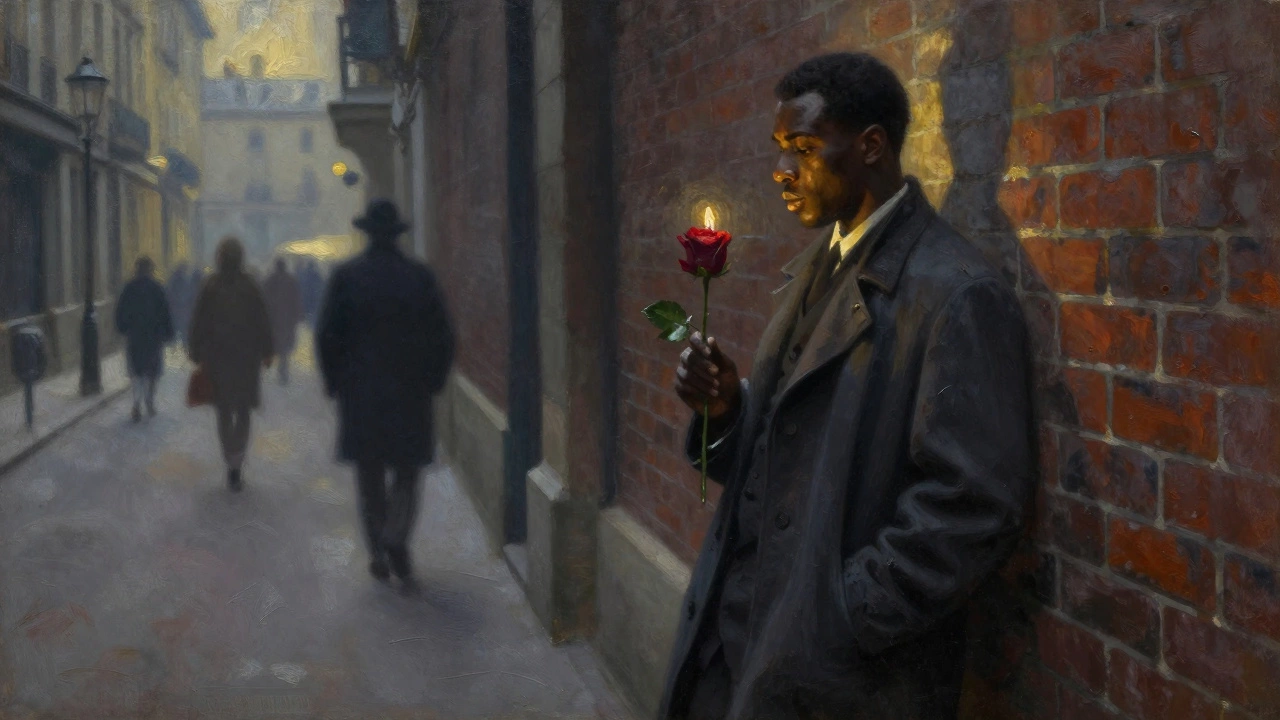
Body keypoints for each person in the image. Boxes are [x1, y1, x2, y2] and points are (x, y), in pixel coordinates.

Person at [659, 53, 1034, 720]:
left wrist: (839, 617)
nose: (781, 170)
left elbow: (975, 504)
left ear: (870, 146)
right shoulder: (815, 266)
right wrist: (726, 410)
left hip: (832, 679)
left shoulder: (956, 292)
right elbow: (792, 456)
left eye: (804, 147)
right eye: (780, 148)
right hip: (737, 650)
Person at [317, 199, 454, 585]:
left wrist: (333, 380)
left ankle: (378, 547)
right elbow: (443, 335)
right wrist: (435, 379)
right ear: (396, 235)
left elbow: (328, 335)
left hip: (361, 394)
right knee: (407, 473)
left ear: (367, 234)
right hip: (410, 392)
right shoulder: (420, 278)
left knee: (369, 475)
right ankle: (396, 538)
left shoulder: (347, 277)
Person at [188, 237, 275, 492]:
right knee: (244, 409)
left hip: (219, 359)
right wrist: (267, 351)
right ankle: (237, 458)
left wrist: (195, 350)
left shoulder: (211, 286)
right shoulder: (250, 286)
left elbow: (198, 322)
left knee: (225, 409)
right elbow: (263, 321)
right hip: (246, 359)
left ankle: (230, 456)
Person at [115, 256, 175, 423]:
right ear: (151, 270)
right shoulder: (157, 288)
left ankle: (136, 402)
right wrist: (168, 332)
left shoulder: (129, 288)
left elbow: (121, 311)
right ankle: (149, 399)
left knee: (137, 372)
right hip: (153, 337)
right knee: (152, 371)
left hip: (135, 337)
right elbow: (165, 313)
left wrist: (123, 328)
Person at [263, 257, 303, 385]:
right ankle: (283, 369)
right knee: (285, 346)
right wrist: (298, 315)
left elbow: (264, 299)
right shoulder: (291, 280)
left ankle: (280, 367)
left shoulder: (270, 280)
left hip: (274, 319)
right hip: (287, 320)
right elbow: (296, 299)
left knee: (278, 344)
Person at [166, 263, 190, 344]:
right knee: (182, 326)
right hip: (181, 307)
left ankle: (174, 341)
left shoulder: (173, 279)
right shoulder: (185, 280)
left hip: (176, 307)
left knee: (177, 324)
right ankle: (182, 341)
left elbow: (169, 293)